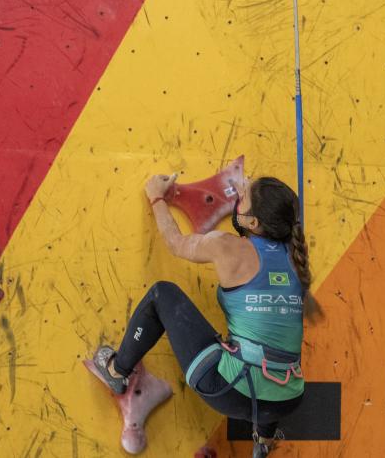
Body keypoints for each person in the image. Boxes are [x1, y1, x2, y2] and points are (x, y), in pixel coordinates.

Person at [90, 172, 320, 457]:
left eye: (243, 198)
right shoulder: (297, 259)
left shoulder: (227, 246)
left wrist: (156, 197)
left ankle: (115, 371)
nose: (239, 198)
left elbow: (175, 242)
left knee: (163, 294)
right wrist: (250, 193)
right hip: (288, 399)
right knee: (268, 355)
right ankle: (263, 440)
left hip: (231, 392)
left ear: (253, 222)